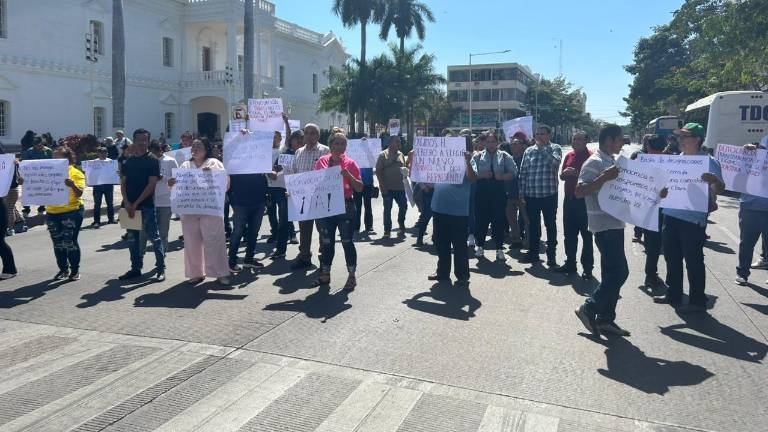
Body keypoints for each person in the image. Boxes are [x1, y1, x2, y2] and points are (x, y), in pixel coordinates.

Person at [575, 125, 640, 337]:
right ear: (610, 140)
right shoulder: (594, 162)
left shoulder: (612, 160)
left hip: (616, 224)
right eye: (620, 139)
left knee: (611, 274)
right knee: (620, 273)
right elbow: (579, 190)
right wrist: (603, 177)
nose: (623, 143)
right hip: (604, 227)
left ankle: (605, 319)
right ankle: (589, 308)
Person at [653, 123, 724, 313]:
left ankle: (697, 301)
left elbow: (720, 189)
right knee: (672, 258)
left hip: (693, 220)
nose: (680, 141)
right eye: (679, 137)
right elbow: (665, 188)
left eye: (684, 137)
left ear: (697, 139)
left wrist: (714, 181)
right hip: (670, 215)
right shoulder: (677, 160)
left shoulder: (708, 161)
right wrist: (663, 192)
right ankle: (674, 294)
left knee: (693, 261)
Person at [170, 138, 231, 285]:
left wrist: (211, 175)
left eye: (199, 146)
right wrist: (171, 183)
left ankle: (221, 273)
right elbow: (177, 185)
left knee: (214, 241)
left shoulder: (214, 163)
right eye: (194, 146)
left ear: (206, 149)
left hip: (210, 210)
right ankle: (195, 273)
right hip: (190, 210)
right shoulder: (185, 165)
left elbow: (226, 184)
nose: (195, 149)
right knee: (191, 242)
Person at [312, 132, 363, 290]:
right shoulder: (321, 161)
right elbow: (312, 183)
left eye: (343, 144)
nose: (340, 147)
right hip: (326, 208)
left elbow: (360, 187)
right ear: (331, 145)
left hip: (345, 208)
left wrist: (348, 175)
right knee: (327, 243)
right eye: (337, 143)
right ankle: (325, 274)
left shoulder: (351, 163)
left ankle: (352, 276)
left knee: (347, 242)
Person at [118, 129, 165, 282]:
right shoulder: (127, 160)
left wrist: (136, 203)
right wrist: (126, 202)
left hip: (146, 206)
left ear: (148, 141)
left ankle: (160, 269)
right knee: (132, 239)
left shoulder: (152, 160)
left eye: (145, 140)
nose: (142, 143)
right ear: (134, 140)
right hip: (129, 206)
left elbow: (152, 184)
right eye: (139, 139)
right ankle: (135, 268)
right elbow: (123, 182)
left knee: (154, 238)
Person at [428, 141, 478, 283]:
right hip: (439, 208)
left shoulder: (468, 161)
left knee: (459, 245)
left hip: (458, 212)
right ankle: (442, 272)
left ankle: (462, 276)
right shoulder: (439, 161)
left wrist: (467, 162)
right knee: (440, 243)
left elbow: (473, 179)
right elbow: (429, 179)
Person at [518, 125, 562, 266]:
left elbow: (554, 163)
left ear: (549, 135)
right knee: (533, 226)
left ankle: (551, 255)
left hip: (549, 194)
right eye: (537, 134)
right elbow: (523, 172)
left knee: (550, 224)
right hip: (531, 195)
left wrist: (543, 149)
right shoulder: (529, 151)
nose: (539, 137)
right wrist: (521, 192)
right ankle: (533, 253)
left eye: (542, 134)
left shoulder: (555, 148)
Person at [41, 147, 85, 281]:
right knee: (58, 243)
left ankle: (75, 270)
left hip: (71, 212)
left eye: (58, 157)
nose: (55, 160)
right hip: (52, 212)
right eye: (54, 157)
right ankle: (63, 269)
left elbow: (79, 194)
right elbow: (38, 184)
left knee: (69, 241)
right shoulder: (47, 171)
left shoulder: (75, 173)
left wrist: (72, 185)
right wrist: (25, 183)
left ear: (67, 159)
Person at [289, 123, 330, 270]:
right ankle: (304, 256)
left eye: (312, 133)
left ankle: (323, 258)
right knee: (304, 230)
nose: (309, 136)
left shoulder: (326, 151)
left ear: (318, 136)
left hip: (320, 198)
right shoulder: (298, 152)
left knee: (322, 229)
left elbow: (330, 174)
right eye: (306, 133)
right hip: (303, 199)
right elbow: (294, 173)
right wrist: (292, 190)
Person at [471, 131, 517, 261]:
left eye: (493, 141)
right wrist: (482, 175)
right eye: (488, 141)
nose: (490, 144)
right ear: (484, 142)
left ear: (497, 142)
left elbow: (514, 172)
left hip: (498, 192)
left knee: (499, 221)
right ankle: (480, 246)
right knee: (481, 221)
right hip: (481, 192)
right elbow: (471, 175)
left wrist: (502, 176)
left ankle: (499, 248)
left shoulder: (504, 156)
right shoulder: (477, 156)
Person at [554, 131, 594, 278]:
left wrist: (576, 174)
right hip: (569, 199)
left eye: (579, 139)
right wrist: (565, 174)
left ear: (586, 142)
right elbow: (562, 176)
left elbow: (594, 180)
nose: (575, 142)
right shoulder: (569, 155)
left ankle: (588, 268)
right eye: (574, 139)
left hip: (584, 201)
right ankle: (570, 263)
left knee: (586, 236)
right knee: (569, 234)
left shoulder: (591, 158)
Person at [630, 135, 667, 289]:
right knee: (656, 244)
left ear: (648, 146)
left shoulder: (639, 158)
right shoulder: (671, 161)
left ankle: (650, 275)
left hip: (646, 207)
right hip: (662, 210)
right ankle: (651, 276)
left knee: (652, 244)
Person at [228, 132, 269, 272]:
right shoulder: (234, 158)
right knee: (237, 233)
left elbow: (267, 174)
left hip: (258, 200)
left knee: (253, 233)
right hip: (240, 201)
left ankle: (249, 260)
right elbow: (229, 147)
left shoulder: (261, 157)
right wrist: (239, 136)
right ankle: (231, 261)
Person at [733, 136, 768, 286]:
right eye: (763, 148)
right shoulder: (750, 158)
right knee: (746, 243)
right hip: (749, 206)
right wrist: (745, 154)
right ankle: (742, 273)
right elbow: (737, 179)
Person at [145, 141, 177, 252]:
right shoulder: (148, 162)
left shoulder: (170, 161)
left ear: (159, 150)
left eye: (153, 152)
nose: (151, 154)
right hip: (150, 200)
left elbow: (176, 179)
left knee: (163, 231)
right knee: (151, 230)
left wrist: (162, 178)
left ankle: (162, 254)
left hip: (165, 201)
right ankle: (157, 251)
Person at [376, 136, 408, 237]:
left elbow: (405, 167)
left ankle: (401, 224)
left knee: (403, 206)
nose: (398, 144)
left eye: (399, 142)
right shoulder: (383, 155)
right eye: (396, 142)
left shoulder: (401, 154)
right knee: (387, 209)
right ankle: (387, 230)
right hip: (387, 188)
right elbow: (378, 171)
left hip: (400, 188)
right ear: (390, 143)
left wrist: (405, 171)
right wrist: (382, 185)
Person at [21, 135, 53, 216]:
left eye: (39, 144)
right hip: (31, 176)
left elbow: (52, 162)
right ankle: (26, 209)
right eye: (35, 144)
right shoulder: (29, 151)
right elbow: (25, 163)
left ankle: (41, 208)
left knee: (43, 192)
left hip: (44, 176)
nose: (38, 146)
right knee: (28, 192)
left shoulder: (48, 151)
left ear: (42, 143)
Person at [506, 134, 528, 249]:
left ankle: (529, 240)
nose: (512, 146)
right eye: (511, 144)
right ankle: (516, 240)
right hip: (509, 194)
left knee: (527, 219)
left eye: (515, 144)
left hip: (523, 194)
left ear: (522, 146)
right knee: (512, 219)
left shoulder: (527, 159)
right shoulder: (507, 159)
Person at [89, 147, 116, 228]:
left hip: (108, 185)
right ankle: (96, 221)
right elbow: (90, 173)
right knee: (97, 204)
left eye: (104, 152)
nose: (103, 154)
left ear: (107, 153)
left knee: (110, 203)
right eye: (101, 152)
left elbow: (114, 173)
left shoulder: (111, 162)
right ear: (98, 154)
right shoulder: (93, 163)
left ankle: (111, 219)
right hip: (97, 186)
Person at [266, 129, 285, 243]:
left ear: (280, 139)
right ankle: (274, 232)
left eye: (276, 137)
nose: (273, 139)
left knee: (283, 211)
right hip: (268, 186)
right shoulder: (264, 151)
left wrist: (286, 123)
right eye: (271, 137)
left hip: (281, 186)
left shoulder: (283, 150)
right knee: (271, 211)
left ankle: (289, 232)